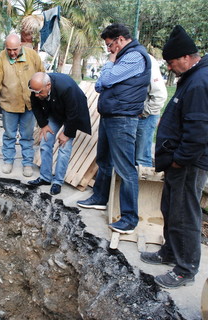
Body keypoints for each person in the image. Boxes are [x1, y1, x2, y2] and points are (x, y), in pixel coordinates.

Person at [140, 25, 208, 289]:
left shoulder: (200, 82)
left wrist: (180, 158)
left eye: (170, 62)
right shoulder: (192, 77)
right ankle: (170, 252)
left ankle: (185, 269)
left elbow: (199, 129)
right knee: (170, 208)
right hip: (178, 161)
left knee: (184, 215)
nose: (169, 67)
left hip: (189, 163)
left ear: (185, 57)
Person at [77, 23, 151, 234]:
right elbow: (99, 85)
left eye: (110, 45)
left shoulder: (135, 56)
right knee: (104, 160)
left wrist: (110, 63)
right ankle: (100, 198)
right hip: (111, 116)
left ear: (120, 40)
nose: (109, 50)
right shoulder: (124, 57)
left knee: (125, 169)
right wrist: (107, 76)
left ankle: (129, 218)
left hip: (123, 118)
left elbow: (106, 79)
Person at [0, 34, 44, 177]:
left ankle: (27, 163)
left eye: (15, 49)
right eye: (9, 49)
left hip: (29, 105)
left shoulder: (32, 56)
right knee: (9, 135)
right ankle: (8, 161)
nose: (12, 53)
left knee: (27, 136)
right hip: (9, 105)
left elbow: (42, 75)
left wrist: (43, 100)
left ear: (20, 46)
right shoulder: (0, 59)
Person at [27, 72, 91, 195]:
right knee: (46, 141)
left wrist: (67, 133)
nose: (36, 95)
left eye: (39, 92)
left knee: (64, 147)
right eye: (34, 92)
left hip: (73, 113)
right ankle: (45, 177)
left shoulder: (66, 88)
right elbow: (35, 106)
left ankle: (58, 182)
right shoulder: (36, 86)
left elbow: (74, 112)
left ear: (48, 85)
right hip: (55, 110)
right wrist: (43, 125)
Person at [135, 54, 167, 167]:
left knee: (141, 158)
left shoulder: (145, 59)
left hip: (145, 116)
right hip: (133, 115)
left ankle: (144, 185)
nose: (109, 49)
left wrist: (144, 112)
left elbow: (160, 95)